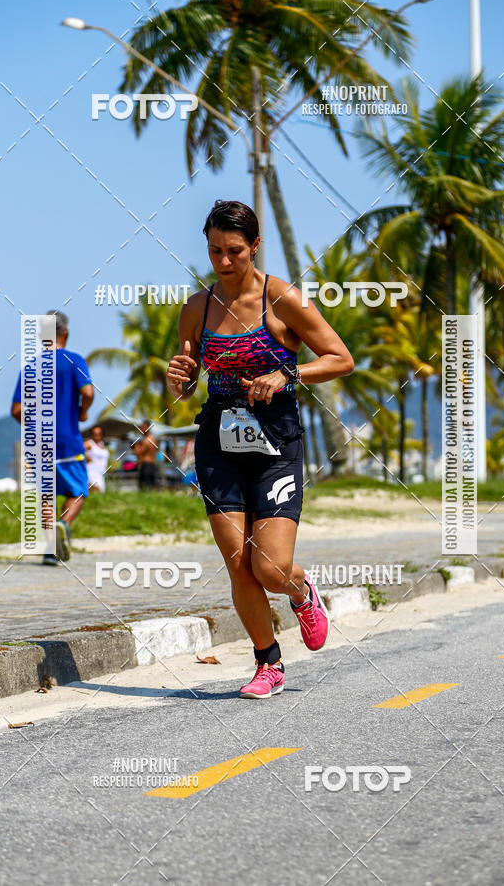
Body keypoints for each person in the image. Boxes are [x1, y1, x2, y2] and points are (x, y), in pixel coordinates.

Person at [166, 200, 354, 699]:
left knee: (268, 567)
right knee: (236, 561)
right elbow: (186, 387)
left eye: (234, 251)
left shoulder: (283, 298)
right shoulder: (196, 308)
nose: (224, 263)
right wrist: (178, 379)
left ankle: (300, 590)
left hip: (276, 442)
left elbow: (341, 358)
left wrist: (286, 374)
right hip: (218, 442)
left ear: (254, 247)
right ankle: (267, 662)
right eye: (214, 252)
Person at [11, 310, 94, 565]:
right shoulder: (74, 360)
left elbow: (16, 410)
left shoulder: (30, 366)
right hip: (68, 438)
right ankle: (63, 523)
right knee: (78, 489)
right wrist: (83, 411)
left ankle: (50, 550)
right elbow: (88, 391)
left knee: (46, 495)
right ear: (65, 333)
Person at [134, 420, 159, 490]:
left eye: (143, 427)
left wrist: (136, 445)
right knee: (151, 488)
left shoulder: (146, 440)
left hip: (146, 466)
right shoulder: (153, 439)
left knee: (144, 488)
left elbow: (138, 453)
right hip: (152, 465)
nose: (141, 429)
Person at [85, 425, 110, 493]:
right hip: (91, 472)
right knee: (95, 491)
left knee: (101, 493)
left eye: (99, 434)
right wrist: (86, 457)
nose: (97, 435)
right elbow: (78, 449)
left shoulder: (102, 444)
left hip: (101, 474)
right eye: (95, 433)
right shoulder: (89, 443)